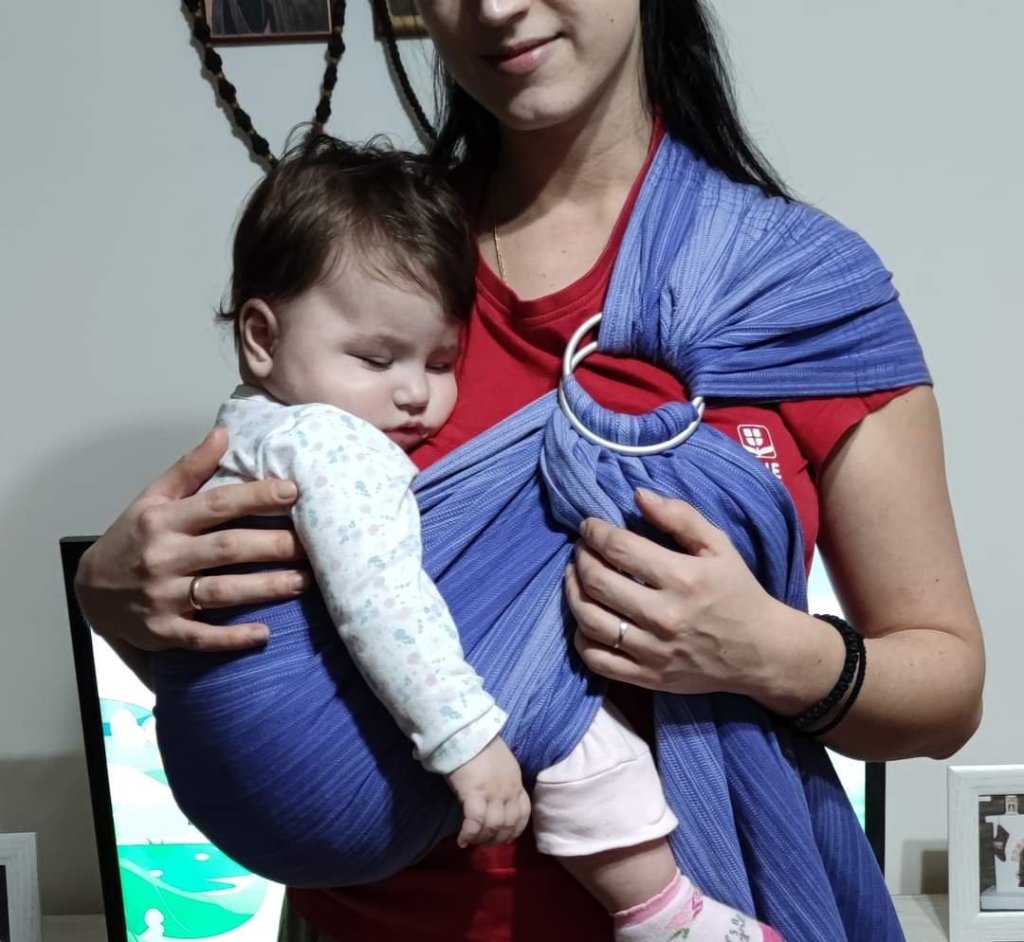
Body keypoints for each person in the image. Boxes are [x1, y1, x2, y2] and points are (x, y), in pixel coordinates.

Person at [75, 0, 985, 940]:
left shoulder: (799, 292)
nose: (497, 6)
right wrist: (114, 599)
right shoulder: (377, 259)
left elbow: (946, 693)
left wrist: (771, 654)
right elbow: (284, 623)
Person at [152, 134, 784, 942]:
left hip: (230, 797)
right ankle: (661, 911)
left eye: (441, 360)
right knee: (570, 717)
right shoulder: (335, 444)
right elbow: (380, 599)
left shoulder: (246, 429)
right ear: (262, 338)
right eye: (377, 358)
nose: (414, 393)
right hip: (345, 783)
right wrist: (468, 741)